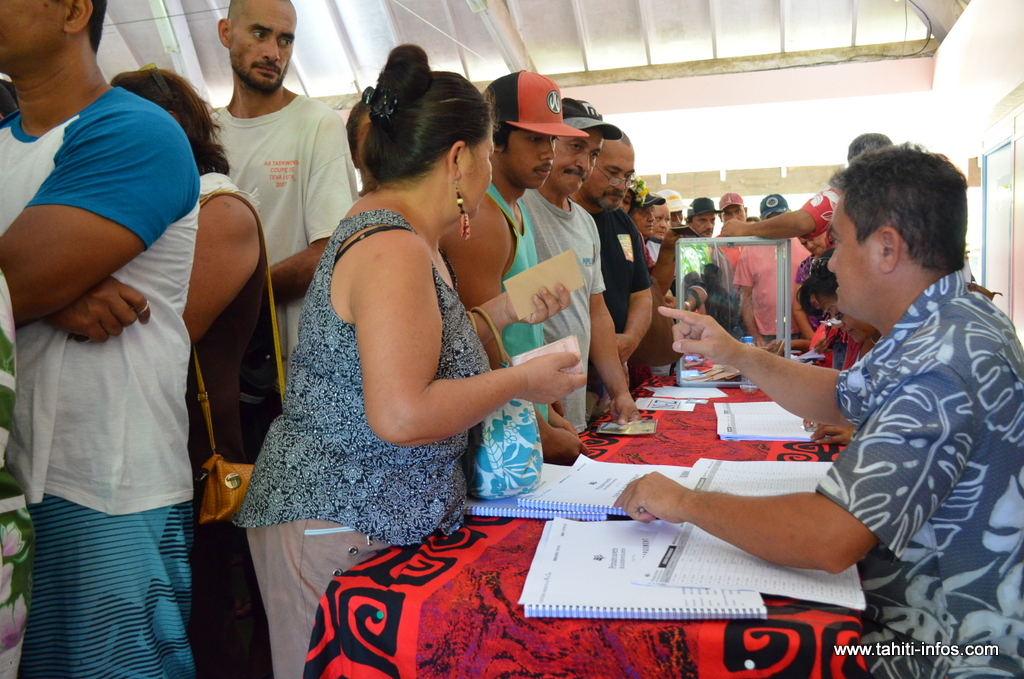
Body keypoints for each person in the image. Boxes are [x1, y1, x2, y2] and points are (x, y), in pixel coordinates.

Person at [234, 45, 586, 679]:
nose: (484, 173)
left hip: (358, 518)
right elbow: (400, 411)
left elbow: (414, 357)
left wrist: (503, 312)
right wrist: (522, 380)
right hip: (336, 520)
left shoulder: (397, 235)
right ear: (458, 159)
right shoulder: (394, 246)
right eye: (483, 156)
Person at [618, 144, 1024, 679]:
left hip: (945, 648)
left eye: (836, 242)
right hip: (930, 614)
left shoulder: (942, 363)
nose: (828, 261)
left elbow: (828, 538)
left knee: (726, 654)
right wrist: (734, 352)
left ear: (886, 248)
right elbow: (841, 395)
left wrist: (683, 501)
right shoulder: (948, 319)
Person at [0, 2, 199, 676]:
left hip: (104, 490)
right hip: (14, 475)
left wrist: (32, 288)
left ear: (73, 10)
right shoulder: (3, 140)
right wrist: (53, 296)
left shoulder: (135, 132)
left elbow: (16, 278)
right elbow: (20, 280)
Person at [112, 67, 266, 679]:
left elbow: (165, 331)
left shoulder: (218, 209)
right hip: (155, 435)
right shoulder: (164, 208)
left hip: (196, 445)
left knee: (202, 615)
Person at [440, 70, 588, 463]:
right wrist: (539, 430)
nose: (548, 153)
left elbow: (523, 329)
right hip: (501, 425)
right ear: (496, 140)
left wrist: (548, 409)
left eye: (552, 139)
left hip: (525, 405)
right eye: (534, 138)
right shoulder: (484, 216)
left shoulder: (515, 208)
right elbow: (480, 342)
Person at [214, 0, 357, 379]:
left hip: (302, 371)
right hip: (224, 366)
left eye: (285, 40)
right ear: (226, 32)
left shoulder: (317, 124)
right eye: (259, 34)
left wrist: (226, 302)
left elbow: (331, 251)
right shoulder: (207, 134)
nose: (273, 53)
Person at [523, 97, 640, 433]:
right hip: (533, 416)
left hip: (572, 411)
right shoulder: (521, 208)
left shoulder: (586, 223)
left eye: (591, 154)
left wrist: (619, 392)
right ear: (547, 144)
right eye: (574, 146)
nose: (583, 164)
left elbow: (596, 312)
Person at [572, 135, 653, 370]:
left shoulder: (623, 223)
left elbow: (641, 294)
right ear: (589, 160)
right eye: (613, 173)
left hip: (612, 369)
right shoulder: (561, 219)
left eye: (628, 177)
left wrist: (630, 339)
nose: (620, 185)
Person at [720, 133, 892, 239]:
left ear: (853, 164)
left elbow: (801, 222)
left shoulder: (845, 191)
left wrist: (747, 229)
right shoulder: (910, 192)